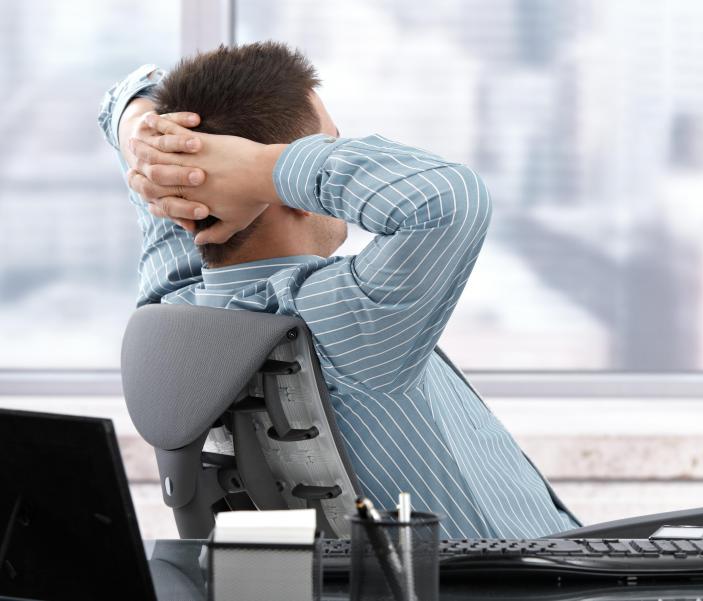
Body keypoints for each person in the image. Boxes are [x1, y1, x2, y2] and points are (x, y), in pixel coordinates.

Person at [99, 41, 579, 539]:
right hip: (549, 574)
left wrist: (162, 149)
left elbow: (118, 101)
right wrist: (270, 170)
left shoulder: (176, 309)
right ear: (283, 190)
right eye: (324, 150)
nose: (329, 162)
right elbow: (449, 198)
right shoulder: (346, 320)